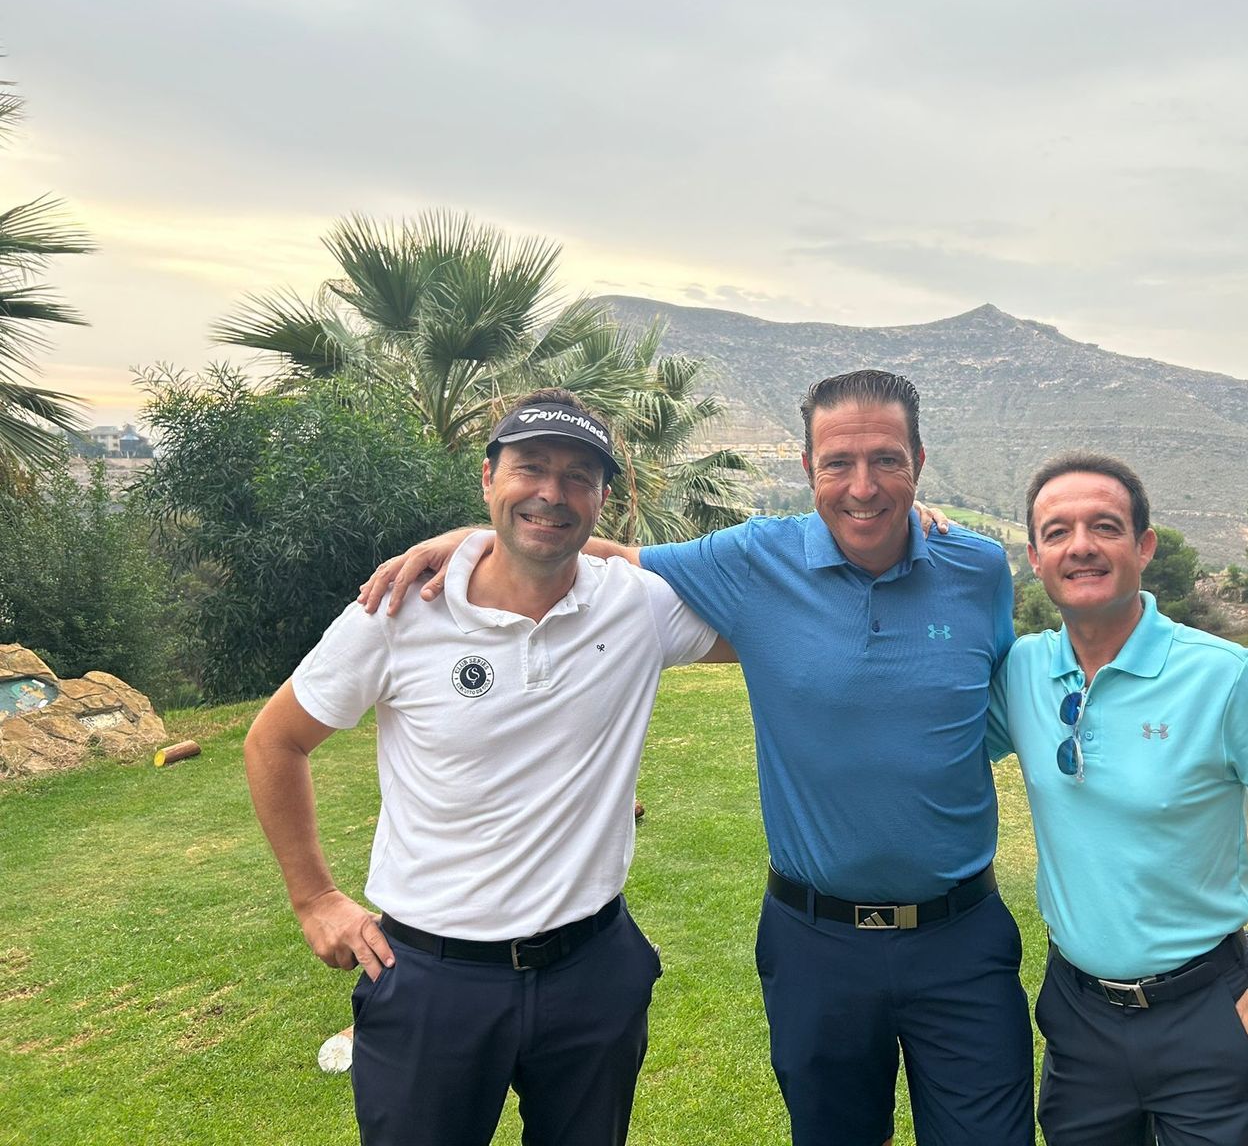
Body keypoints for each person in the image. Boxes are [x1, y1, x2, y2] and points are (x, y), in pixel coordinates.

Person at [364, 370, 1034, 1146]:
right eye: (836, 463)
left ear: (918, 459)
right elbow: (606, 556)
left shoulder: (979, 568)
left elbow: (988, 703)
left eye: (887, 460)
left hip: (961, 935)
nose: (862, 487)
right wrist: (475, 541)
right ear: (808, 467)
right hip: (815, 941)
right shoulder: (755, 560)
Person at [244, 389, 731, 1146]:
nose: (551, 493)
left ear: (604, 497)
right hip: (432, 980)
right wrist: (315, 899)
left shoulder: (637, 606)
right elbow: (275, 741)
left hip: (593, 968)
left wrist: (907, 530)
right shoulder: (399, 610)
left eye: (578, 478)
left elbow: (776, 613)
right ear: (487, 478)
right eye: (530, 468)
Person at [986, 451, 1248, 1146]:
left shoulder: (1223, 677)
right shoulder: (1022, 671)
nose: (1083, 546)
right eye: (1058, 532)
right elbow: (934, 734)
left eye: (1105, 526)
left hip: (1208, 1011)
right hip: (1078, 1013)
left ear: (1144, 547)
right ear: (1035, 558)